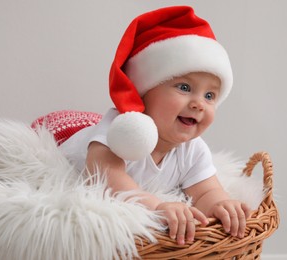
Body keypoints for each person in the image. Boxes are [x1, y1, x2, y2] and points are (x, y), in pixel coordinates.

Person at [59, 6, 251, 245]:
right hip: (68, 145)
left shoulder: (192, 149)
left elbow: (204, 191)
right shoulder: (120, 131)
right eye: (184, 87)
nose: (199, 104)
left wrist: (221, 203)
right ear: (144, 92)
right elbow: (109, 179)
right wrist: (157, 206)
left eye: (210, 96)